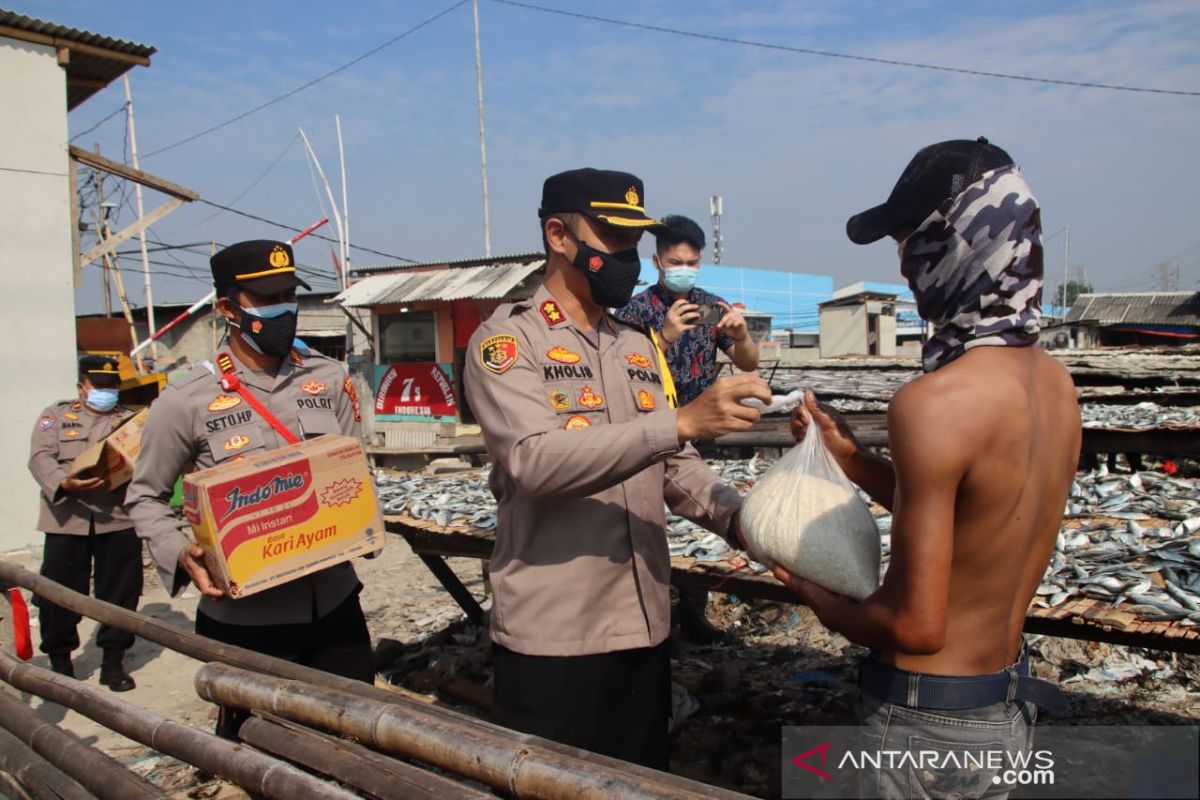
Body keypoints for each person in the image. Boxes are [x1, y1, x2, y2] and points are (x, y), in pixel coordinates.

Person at [773, 138, 1081, 798]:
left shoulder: (934, 404)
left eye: (912, 239)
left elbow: (917, 626)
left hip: (928, 720)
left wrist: (812, 593)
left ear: (964, 241)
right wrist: (851, 459)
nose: (906, 264)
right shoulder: (1056, 386)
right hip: (1005, 701)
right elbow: (974, 513)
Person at [464, 168, 771, 769]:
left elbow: (673, 464)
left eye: (636, 242)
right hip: (555, 636)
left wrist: (749, 524)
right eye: (614, 238)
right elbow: (533, 461)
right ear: (559, 234)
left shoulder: (635, 344)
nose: (630, 257)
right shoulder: (507, 342)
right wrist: (679, 422)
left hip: (645, 628)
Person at [126, 240, 373, 732]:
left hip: (335, 604)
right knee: (261, 749)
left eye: (290, 295)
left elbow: (354, 468)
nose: (284, 309)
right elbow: (145, 497)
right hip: (247, 622)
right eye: (266, 298)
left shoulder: (327, 378)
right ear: (226, 308)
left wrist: (363, 520)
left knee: (355, 736)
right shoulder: (185, 400)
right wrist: (180, 552)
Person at [614, 214, 761, 644]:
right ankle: (652, 615)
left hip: (702, 433)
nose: (686, 269)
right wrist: (664, 336)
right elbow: (620, 372)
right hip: (648, 432)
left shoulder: (713, 306)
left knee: (703, 524)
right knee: (650, 522)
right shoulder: (635, 311)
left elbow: (747, 361)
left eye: (693, 262)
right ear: (657, 262)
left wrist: (742, 334)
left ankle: (693, 614)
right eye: (677, 261)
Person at [28, 355, 142, 691]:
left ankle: (113, 661)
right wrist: (64, 482)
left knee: (120, 593)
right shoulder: (57, 416)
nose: (105, 392)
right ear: (82, 387)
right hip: (67, 519)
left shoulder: (133, 422)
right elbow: (40, 457)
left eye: (111, 385)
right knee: (58, 592)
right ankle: (60, 661)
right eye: (98, 385)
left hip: (118, 518)